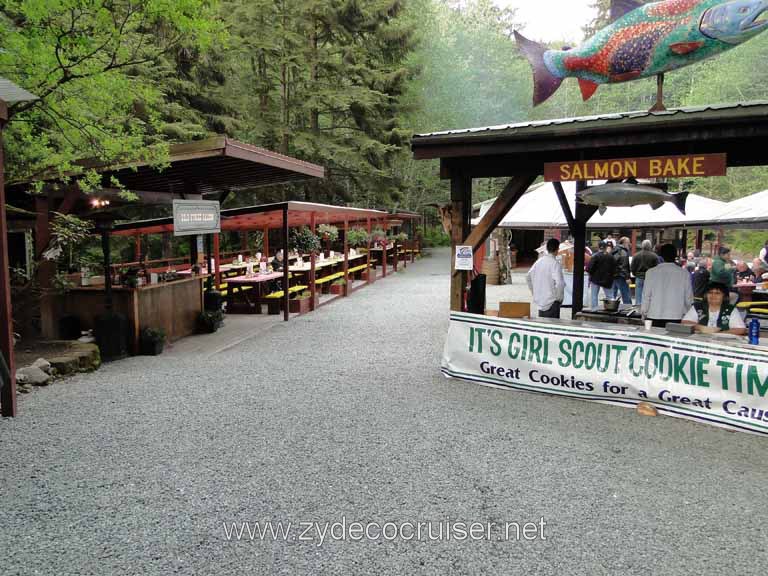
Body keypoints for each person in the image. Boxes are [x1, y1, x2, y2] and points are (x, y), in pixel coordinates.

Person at [641, 243, 694, 328]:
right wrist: (688, 313)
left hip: (654, 314)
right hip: (676, 315)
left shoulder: (651, 272)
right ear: (675, 255)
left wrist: (644, 312)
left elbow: (646, 296)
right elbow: (688, 298)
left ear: (661, 255)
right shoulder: (684, 273)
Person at [682, 282, 747, 335]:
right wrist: (701, 328)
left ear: (724, 296)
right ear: (705, 295)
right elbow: (685, 322)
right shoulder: (698, 307)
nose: (713, 295)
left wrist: (719, 334)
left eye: (717, 293)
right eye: (710, 292)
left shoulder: (730, 310)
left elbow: (740, 329)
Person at [526, 238, 565, 319]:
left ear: (547, 248)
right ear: (557, 249)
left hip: (541, 301)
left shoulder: (539, 261)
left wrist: (534, 292)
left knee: (543, 325)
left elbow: (528, 277)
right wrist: (559, 299)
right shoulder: (555, 264)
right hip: (552, 302)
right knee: (552, 327)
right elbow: (560, 283)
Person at [586, 241, 616, 309]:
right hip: (607, 279)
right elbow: (614, 268)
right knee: (609, 296)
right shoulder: (611, 257)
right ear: (606, 247)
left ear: (598, 247)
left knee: (594, 296)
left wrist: (591, 274)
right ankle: (610, 309)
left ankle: (594, 310)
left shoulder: (595, 256)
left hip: (595, 279)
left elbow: (589, 268)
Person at [630, 240, 659, 306]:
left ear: (642, 246)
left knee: (638, 295)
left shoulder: (636, 255)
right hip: (650, 278)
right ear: (650, 246)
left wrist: (636, 274)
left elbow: (632, 267)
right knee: (649, 295)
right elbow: (657, 268)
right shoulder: (654, 256)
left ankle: (638, 308)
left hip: (639, 277)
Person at [610, 236, 632, 303]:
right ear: (625, 243)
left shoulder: (614, 250)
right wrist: (627, 277)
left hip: (613, 275)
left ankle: (610, 308)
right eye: (628, 243)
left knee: (612, 295)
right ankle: (627, 309)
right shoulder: (623, 252)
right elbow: (623, 266)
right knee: (626, 294)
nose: (630, 244)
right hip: (621, 276)